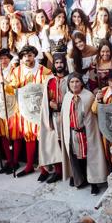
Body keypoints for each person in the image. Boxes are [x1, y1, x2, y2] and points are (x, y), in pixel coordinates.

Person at [10, 45, 53, 177]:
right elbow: (13, 89)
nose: (27, 58)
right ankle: (29, 166)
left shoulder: (44, 71)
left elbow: (50, 90)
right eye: (24, 56)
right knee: (29, 137)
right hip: (26, 110)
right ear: (21, 58)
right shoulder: (16, 72)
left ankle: (44, 169)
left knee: (42, 138)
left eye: (29, 55)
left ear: (34, 55)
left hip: (41, 110)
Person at [61, 73, 108, 194]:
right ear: (68, 84)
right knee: (75, 156)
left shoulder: (89, 96)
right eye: (72, 82)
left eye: (77, 81)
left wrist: (98, 100)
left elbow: (95, 111)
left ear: (82, 83)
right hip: (72, 133)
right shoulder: (67, 97)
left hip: (87, 132)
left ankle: (93, 182)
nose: (74, 84)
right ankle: (79, 178)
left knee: (90, 157)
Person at [0, 48, 21, 175]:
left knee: (15, 134)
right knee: (3, 134)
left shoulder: (15, 70)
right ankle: (9, 160)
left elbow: (17, 87)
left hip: (13, 106)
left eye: (6, 58)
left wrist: (5, 82)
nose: (3, 60)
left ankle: (15, 160)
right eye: (1, 58)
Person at [38, 53, 69, 184]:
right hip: (54, 117)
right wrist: (50, 107)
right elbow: (46, 100)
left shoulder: (70, 79)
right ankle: (58, 171)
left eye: (61, 62)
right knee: (55, 144)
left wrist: (60, 105)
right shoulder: (49, 80)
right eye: (56, 63)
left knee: (66, 144)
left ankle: (70, 172)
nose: (59, 65)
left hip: (67, 116)